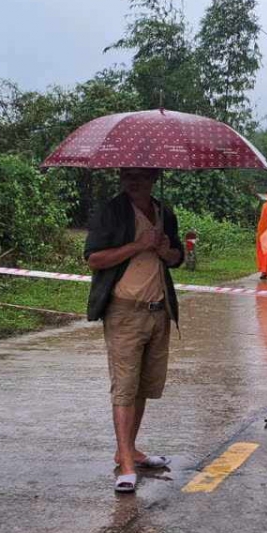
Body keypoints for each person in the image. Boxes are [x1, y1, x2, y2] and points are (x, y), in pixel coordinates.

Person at [84, 168, 184, 493]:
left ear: (154, 177)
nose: (133, 180)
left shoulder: (164, 212)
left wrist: (165, 250)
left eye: (140, 175)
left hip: (158, 311)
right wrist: (137, 244)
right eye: (127, 174)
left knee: (144, 385)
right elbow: (94, 258)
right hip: (124, 313)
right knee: (125, 387)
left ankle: (129, 448)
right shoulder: (111, 212)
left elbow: (177, 258)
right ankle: (126, 463)